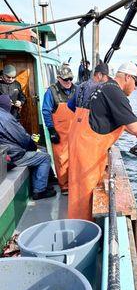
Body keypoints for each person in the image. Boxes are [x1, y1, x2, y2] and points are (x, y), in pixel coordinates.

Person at [68, 61, 137, 221]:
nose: (135, 87)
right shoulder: (114, 91)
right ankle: (81, 236)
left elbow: (118, 121)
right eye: (136, 82)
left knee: (78, 190)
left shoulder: (102, 87)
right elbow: (134, 127)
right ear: (127, 77)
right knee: (82, 197)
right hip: (87, 152)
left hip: (82, 146)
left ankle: (80, 228)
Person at [0, 94, 56, 200]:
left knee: (41, 150)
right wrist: (33, 146)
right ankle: (39, 190)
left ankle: (48, 180)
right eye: (10, 103)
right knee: (45, 157)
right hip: (10, 157)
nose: (12, 105)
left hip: (6, 153)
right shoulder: (6, 118)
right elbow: (22, 138)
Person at [42, 65, 76, 194]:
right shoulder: (51, 91)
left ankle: (75, 183)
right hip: (60, 133)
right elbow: (46, 111)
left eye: (70, 79)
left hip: (75, 132)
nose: (68, 82)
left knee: (77, 159)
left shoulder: (77, 89)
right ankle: (65, 186)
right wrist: (51, 130)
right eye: (65, 79)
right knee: (61, 160)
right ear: (58, 78)